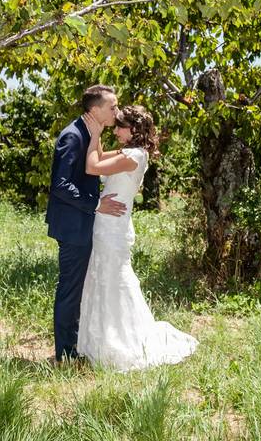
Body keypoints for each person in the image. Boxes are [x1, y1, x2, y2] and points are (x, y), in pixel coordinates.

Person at [77, 105, 198, 371]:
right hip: (110, 223)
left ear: (132, 129)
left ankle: (121, 341)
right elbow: (100, 158)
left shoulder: (132, 156)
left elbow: (91, 166)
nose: (115, 130)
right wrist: (97, 138)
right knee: (104, 277)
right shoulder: (130, 153)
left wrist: (95, 133)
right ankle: (101, 339)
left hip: (112, 227)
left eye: (119, 126)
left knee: (114, 279)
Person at [46, 85, 126, 363]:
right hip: (72, 225)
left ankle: (74, 346)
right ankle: (65, 355)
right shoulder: (72, 136)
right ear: (95, 110)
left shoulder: (90, 133)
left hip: (80, 222)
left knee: (78, 287)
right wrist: (95, 204)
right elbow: (60, 185)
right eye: (112, 107)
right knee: (70, 288)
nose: (117, 111)